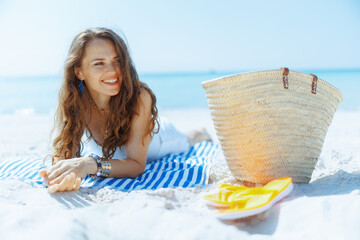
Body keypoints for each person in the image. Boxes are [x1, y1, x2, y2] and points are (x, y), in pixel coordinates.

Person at [39, 27, 211, 194]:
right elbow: (67, 154)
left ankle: (200, 133)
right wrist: (63, 176)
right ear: (79, 72)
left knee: (187, 139)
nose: (113, 71)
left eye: (117, 60)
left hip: (161, 138)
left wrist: (91, 165)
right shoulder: (75, 101)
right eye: (99, 63)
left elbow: (136, 165)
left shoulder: (139, 98)